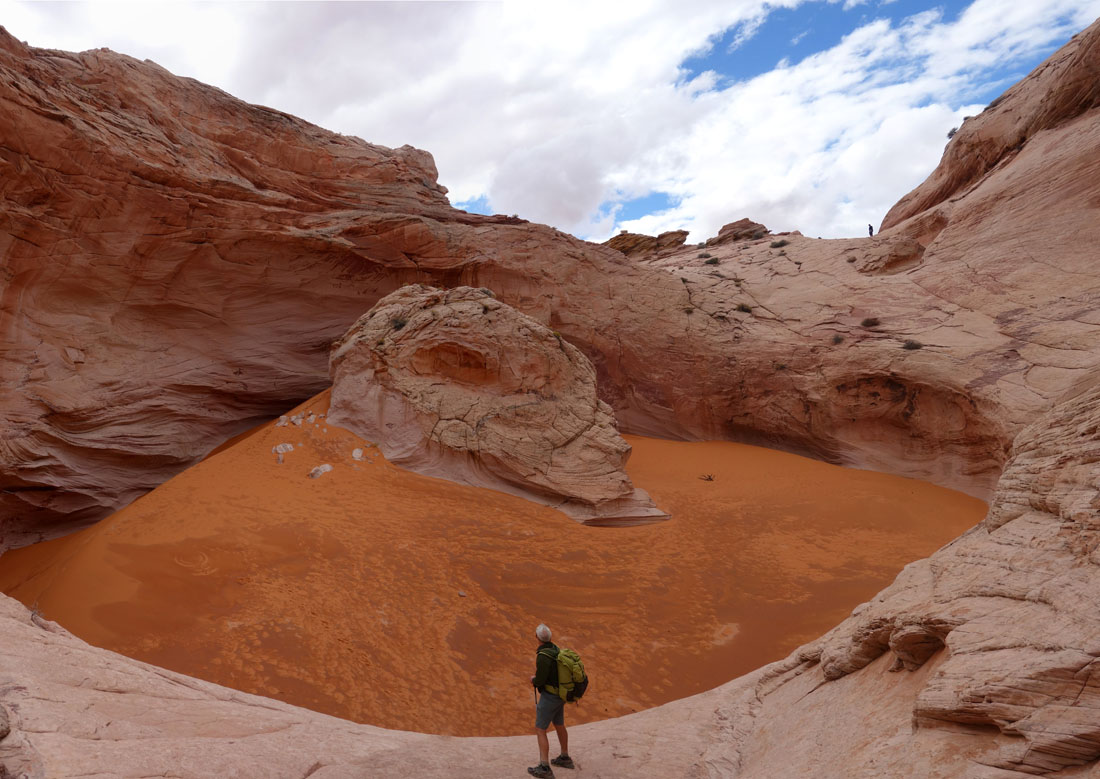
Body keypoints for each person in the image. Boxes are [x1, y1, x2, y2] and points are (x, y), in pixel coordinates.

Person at [528, 623, 574, 777]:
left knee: (541, 729)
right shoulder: (556, 650)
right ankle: (565, 757)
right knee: (559, 724)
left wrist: (534, 680)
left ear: (537, 638)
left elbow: (540, 680)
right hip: (560, 695)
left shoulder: (543, 656)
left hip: (550, 697)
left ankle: (544, 767)